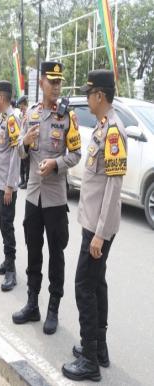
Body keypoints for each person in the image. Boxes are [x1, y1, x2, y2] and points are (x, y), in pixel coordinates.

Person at [62, 70, 126, 382]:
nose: (86, 100)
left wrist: (99, 233)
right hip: (94, 222)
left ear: (99, 95)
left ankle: (89, 361)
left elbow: (114, 187)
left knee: (84, 286)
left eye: (89, 94)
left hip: (99, 227)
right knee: (96, 283)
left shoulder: (113, 130)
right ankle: (98, 347)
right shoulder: (104, 125)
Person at [12, 62, 81, 335]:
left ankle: (53, 308)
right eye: (51, 81)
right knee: (32, 250)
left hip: (54, 198)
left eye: (59, 82)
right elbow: (18, 151)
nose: (56, 86)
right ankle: (32, 304)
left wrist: (56, 164)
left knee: (56, 254)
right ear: (41, 83)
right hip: (32, 196)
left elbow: (76, 155)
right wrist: (25, 142)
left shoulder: (67, 118)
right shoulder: (30, 115)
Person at [0, 81, 21, 291]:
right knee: (3, 225)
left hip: (6, 186)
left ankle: (11, 271)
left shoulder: (12, 120)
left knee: (7, 227)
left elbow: (16, 154)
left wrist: (10, 186)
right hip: (0, 184)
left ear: (2, 98)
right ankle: (6, 261)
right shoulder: (4, 119)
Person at [17, 95, 30, 189]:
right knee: (22, 162)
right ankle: (22, 180)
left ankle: (27, 181)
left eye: (21, 106)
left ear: (24, 104)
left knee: (27, 164)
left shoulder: (29, 113)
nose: (20, 108)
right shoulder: (22, 114)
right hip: (21, 141)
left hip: (28, 143)